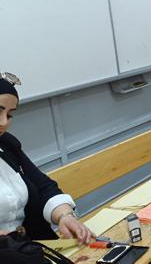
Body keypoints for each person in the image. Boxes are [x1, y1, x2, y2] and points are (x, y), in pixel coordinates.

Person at [0, 73, 94, 242]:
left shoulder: (7, 145)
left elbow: (42, 186)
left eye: (9, 115)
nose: (4, 122)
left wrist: (64, 215)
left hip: (31, 249)